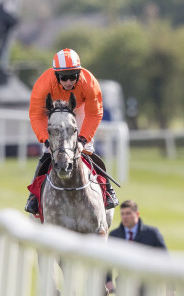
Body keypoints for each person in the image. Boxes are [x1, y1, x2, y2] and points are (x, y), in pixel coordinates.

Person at [24, 48, 119, 214]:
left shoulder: (89, 82)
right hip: (55, 111)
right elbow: (36, 115)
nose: (69, 82)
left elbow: (94, 113)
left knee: (88, 149)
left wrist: (82, 140)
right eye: (64, 77)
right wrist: (46, 140)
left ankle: (108, 191)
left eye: (73, 76)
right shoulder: (43, 84)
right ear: (56, 75)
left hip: (80, 109)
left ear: (79, 73)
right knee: (48, 152)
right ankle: (34, 196)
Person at [107, 200, 175, 296]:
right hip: (124, 284)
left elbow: (165, 259)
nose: (125, 217)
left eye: (128, 213)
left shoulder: (152, 234)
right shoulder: (115, 236)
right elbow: (107, 261)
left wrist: (170, 286)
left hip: (147, 284)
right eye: (122, 214)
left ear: (136, 214)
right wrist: (108, 280)